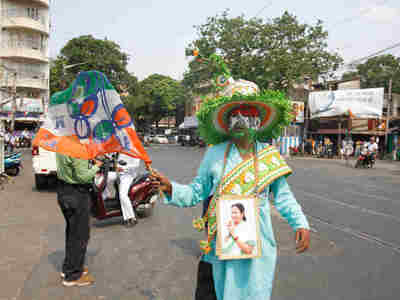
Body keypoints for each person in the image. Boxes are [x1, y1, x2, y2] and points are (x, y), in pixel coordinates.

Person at [150, 53, 310, 300]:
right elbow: (196, 191)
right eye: (235, 113)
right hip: (220, 244)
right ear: (226, 119)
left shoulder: (269, 155)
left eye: (248, 112)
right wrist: (171, 187)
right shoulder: (215, 154)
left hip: (257, 245)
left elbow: (283, 197)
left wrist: (300, 222)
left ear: (258, 118)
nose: (242, 119)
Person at [56, 153, 103, 287]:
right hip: (77, 195)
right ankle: (73, 276)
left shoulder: (62, 146)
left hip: (64, 192)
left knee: (72, 232)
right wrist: (96, 166)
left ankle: (69, 268)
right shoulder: (78, 150)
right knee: (80, 235)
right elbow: (83, 177)